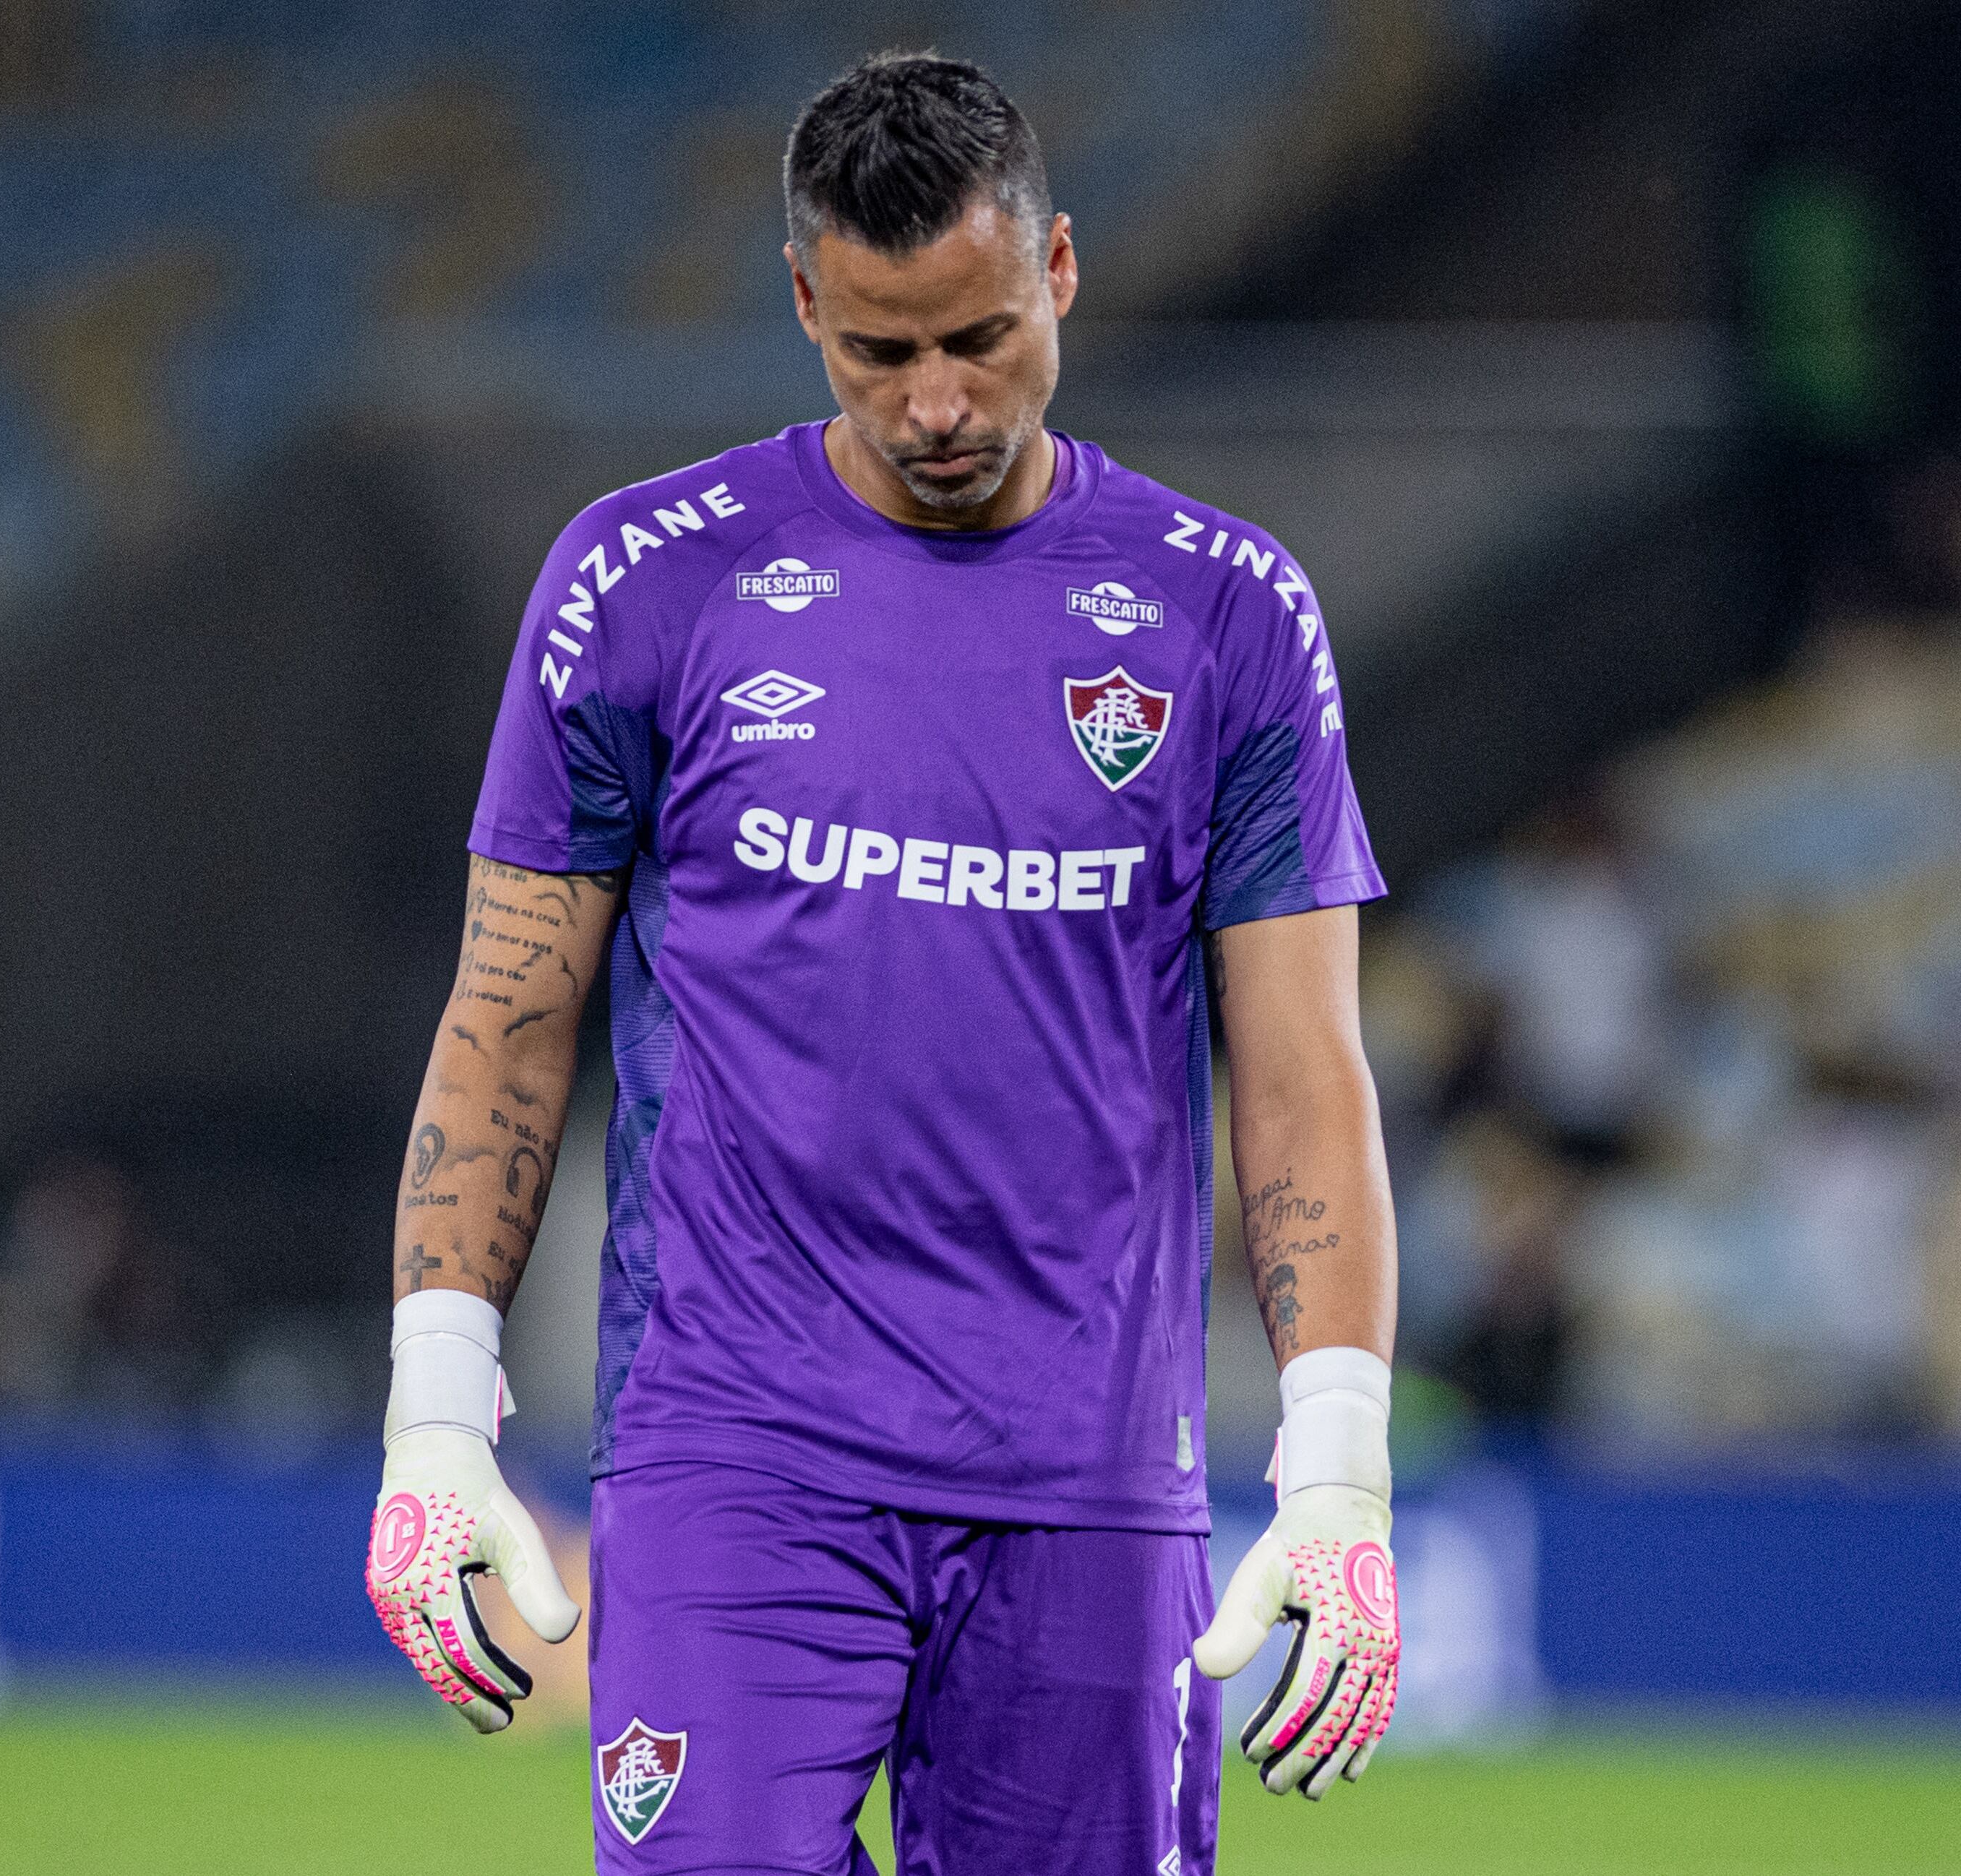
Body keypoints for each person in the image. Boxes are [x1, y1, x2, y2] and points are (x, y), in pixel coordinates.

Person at [366, 53, 1401, 1875]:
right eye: (877, 352)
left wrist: (1340, 1457)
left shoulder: (1228, 613)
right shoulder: (642, 587)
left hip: (1082, 1478)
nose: (936, 401)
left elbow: (1304, 1066)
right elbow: (511, 1021)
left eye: (982, 338)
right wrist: (437, 1411)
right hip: (737, 1449)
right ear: (801, 304)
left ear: (1062, 269)